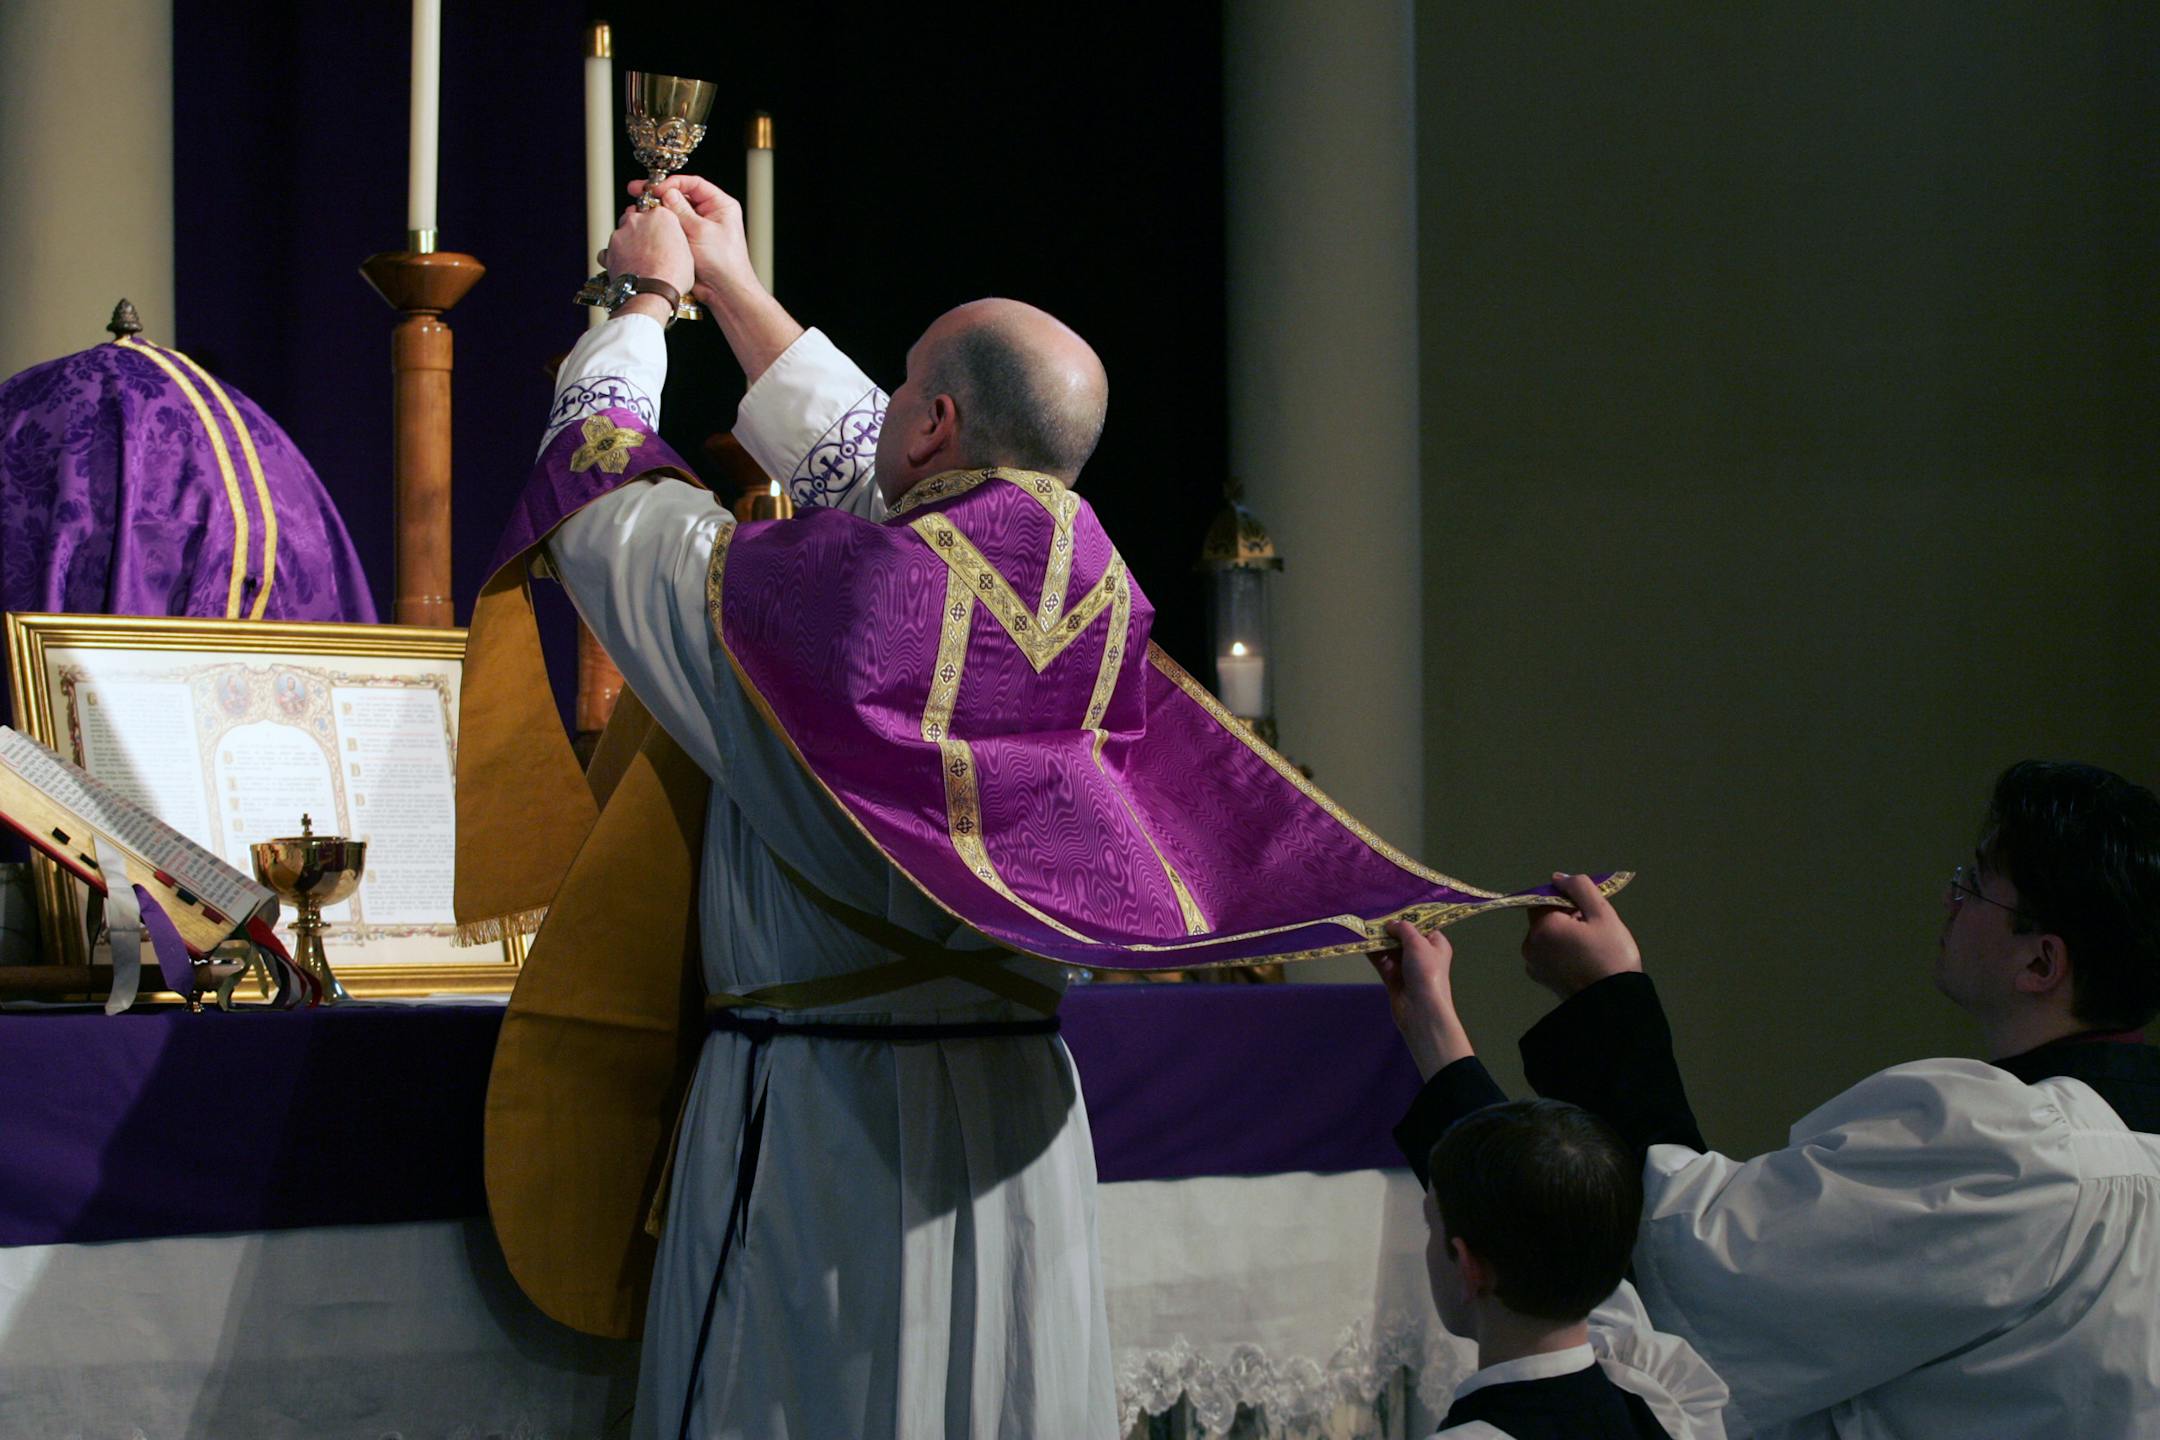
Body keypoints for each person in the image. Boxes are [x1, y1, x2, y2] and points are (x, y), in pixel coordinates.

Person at [456, 177, 1594, 1439]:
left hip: (826, 1132)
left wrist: (645, 297)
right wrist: (737, 288)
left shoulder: (817, 608)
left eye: (902, 390)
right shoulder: (1102, 607)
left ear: (934, 423)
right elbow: (888, 468)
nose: (881, 414)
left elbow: (605, 496)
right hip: (1016, 1128)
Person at [1395, 760, 2160, 1437]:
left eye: (1974, 886)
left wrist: (1603, 999)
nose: (1949, 899)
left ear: (2040, 960)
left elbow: (1693, 1265)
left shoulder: (2022, 1151)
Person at [1373, 922, 1727, 1440]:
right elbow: (1555, 1216)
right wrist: (1430, 1015)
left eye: (1433, 1227)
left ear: (1468, 1266)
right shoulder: (1666, 1405)